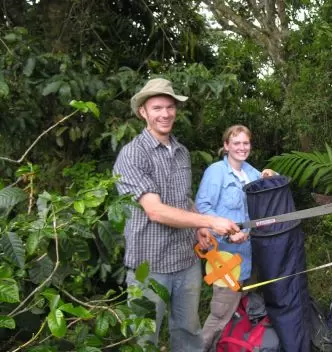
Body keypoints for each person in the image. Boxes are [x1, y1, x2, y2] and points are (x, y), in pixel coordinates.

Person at [113, 78, 240, 352]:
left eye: (170, 107)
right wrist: (209, 220)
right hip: (150, 265)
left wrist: (198, 228)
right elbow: (155, 211)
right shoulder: (132, 154)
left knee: (189, 332)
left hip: (185, 260)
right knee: (144, 339)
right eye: (157, 107)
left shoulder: (181, 152)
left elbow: (182, 200)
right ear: (143, 112)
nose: (166, 114)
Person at [195, 125, 275, 350]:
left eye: (246, 143)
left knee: (243, 309)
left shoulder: (250, 172)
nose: (242, 147)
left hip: (249, 257)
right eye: (236, 143)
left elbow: (268, 186)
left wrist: (270, 173)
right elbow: (203, 207)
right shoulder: (216, 172)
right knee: (220, 314)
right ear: (226, 146)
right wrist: (229, 231)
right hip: (225, 258)